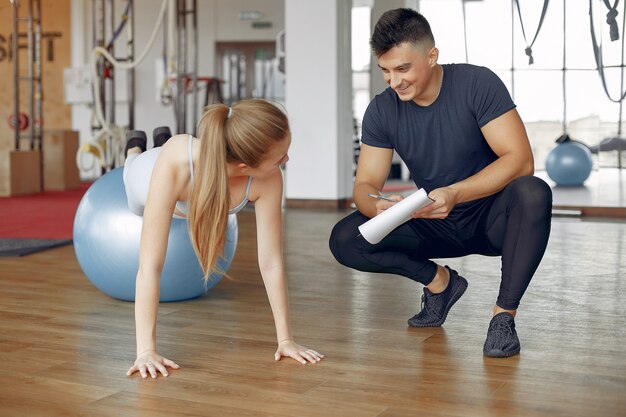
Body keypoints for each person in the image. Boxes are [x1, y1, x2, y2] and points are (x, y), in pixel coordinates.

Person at [329, 8, 552, 358]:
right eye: (385, 70)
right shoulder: (382, 110)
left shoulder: (477, 84)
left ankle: (503, 317)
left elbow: (520, 159)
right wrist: (380, 206)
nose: (394, 81)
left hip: (491, 219)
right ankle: (440, 284)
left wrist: (456, 192)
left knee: (534, 192)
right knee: (346, 239)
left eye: (403, 68)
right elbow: (366, 184)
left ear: (432, 56)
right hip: (433, 221)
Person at [124, 99, 324, 379]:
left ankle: (160, 138)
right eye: (280, 157)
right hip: (147, 176)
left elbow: (271, 263)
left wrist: (285, 339)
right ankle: (134, 146)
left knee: (166, 148)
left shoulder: (268, 179)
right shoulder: (178, 165)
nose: (286, 161)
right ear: (244, 165)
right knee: (132, 180)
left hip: (192, 174)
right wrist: (145, 351)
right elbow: (149, 266)